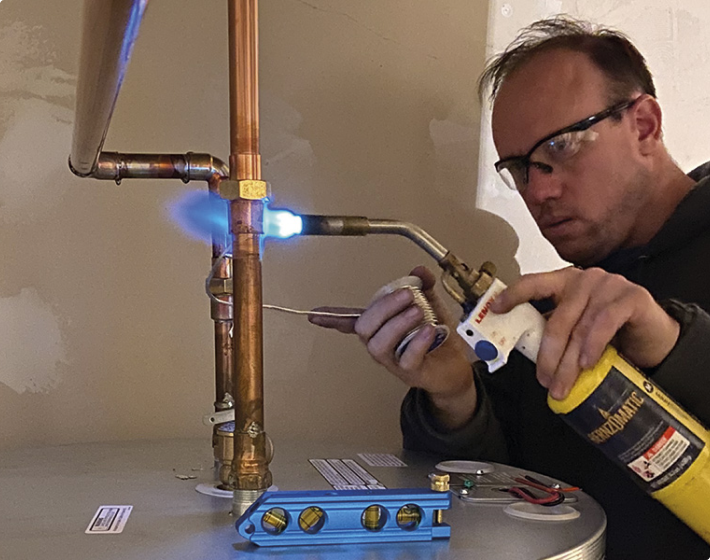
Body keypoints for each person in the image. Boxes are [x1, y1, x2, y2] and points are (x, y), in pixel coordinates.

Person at [310, 16, 710, 559]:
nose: (538, 189)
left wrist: (673, 344)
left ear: (643, 124)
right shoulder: (552, 306)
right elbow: (508, 485)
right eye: (520, 168)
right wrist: (454, 397)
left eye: (562, 147)